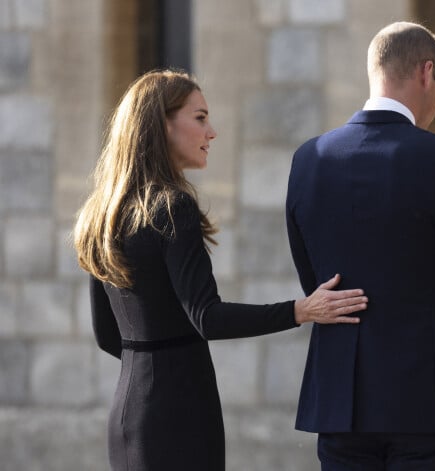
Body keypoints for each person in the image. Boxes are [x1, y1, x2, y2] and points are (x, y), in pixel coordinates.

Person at [73, 69, 368, 471]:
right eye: (200, 118)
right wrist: (301, 310)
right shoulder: (173, 207)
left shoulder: (101, 214)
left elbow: (108, 335)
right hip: (180, 415)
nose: (211, 132)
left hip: (128, 412)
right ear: (163, 123)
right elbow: (207, 317)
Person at [286, 21, 435, 471]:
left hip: (340, 405)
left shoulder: (309, 159)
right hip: (430, 403)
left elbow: (316, 282)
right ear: (428, 73)